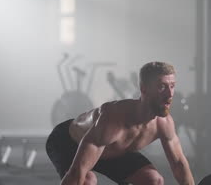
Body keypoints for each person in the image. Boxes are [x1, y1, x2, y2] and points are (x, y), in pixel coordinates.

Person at [46, 61, 195, 185]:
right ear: (144, 89)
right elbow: (76, 173)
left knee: (154, 181)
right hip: (68, 142)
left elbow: (179, 165)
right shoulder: (112, 120)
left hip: (113, 151)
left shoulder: (164, 124)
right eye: (162, 87)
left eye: (172, 86)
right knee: (87, 181)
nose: (169, 94)